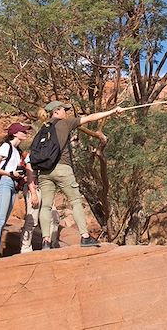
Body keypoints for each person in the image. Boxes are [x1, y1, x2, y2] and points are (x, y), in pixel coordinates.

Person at [36, 101, 124, 249]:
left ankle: (45, 241)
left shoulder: (43, 129)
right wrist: (113, 111)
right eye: (64, 110)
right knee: (75, 201)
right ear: (56, 111)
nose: (66, 112)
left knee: (45, 206)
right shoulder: (65, 123)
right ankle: (84, 237)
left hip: (44, 171)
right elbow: (91, 117)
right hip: (63, 169)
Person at [0, 122, 32, 258]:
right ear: (15, 133)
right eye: (22, 131)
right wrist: (10, 174)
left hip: (13, 184)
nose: (25, 133)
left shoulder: (17, 151)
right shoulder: (6, 146)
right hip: (4, 183)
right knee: (0, 220)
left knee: (3, 219)